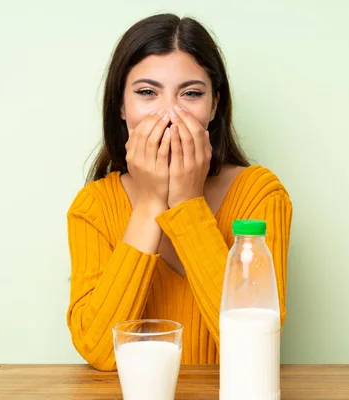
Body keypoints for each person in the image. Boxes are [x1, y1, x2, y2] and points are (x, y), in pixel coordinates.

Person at [66, 13, 293, 371]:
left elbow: (253, 349)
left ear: (214, 105)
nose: (170, 114)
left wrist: (187, 204)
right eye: (146, 92)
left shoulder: (261, 195)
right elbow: (99, 349)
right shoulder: (93, 206)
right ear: (121, 107)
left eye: (191, 93)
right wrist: (150, 205)